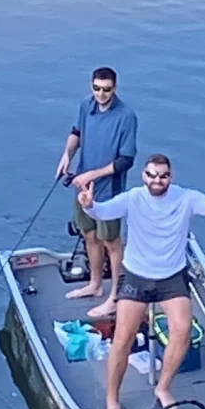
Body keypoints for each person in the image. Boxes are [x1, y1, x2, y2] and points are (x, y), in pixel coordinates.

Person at [77, 153, 205, 409]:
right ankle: (112, 399)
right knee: (122, 339)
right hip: (137, 277)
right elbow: (104, 211)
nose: (157, 180)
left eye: (163, 176)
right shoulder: (133, 198)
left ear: (171, 176)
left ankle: (163, 388)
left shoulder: (185, 198)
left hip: (171, 278)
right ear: (144, 176)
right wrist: (89, 206)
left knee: (183, 329)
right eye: (152, 175)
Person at [56, 66, 138, 318]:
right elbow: (76, 132)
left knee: (111, 243)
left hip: (108, 192)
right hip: (83, 188)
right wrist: (66, 155)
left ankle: (115, 296)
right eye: (96, 88)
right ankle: (93, 284)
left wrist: (93, 175)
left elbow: (126, 160)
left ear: (115, 88)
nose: (101, 94)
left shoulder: (126, 116)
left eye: (106, 90)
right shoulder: (85, 106)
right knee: (88, 235)